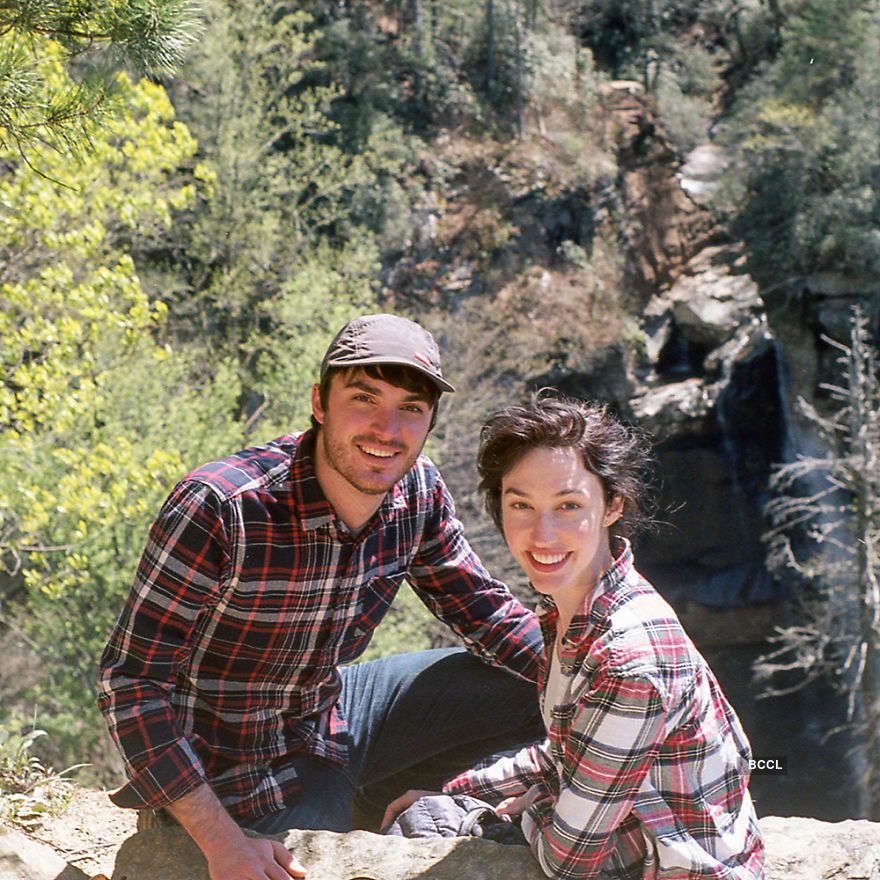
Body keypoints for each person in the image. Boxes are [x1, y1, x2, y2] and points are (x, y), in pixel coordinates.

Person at [97, 313, 545, 880]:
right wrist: (223, 843)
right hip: (234, 767)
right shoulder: (223, 508)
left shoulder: (418, 491)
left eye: (410, 408)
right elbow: (131, 682)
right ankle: (368, 816)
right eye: (364, 398)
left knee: (539, 682)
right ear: (319, 403)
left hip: (328, 710)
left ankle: (432, 803)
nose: (387, 429)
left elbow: (489, 615)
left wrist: (628, 682)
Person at [383, 392, 765, 879]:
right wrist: (460, 792)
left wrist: (522, 806)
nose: (542, 535)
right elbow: (565, 753)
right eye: (521, 504)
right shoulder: (580, 609)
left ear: (612, 506)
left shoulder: (629, 659)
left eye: (568, 505)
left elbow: (569, 860)